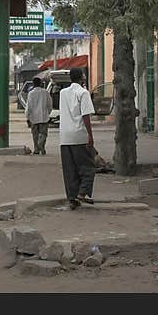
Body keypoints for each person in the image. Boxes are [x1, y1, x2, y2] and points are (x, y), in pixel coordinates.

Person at [59, 67, 96, 209]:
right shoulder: (83, 93)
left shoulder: (63, 93)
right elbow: (85, 115)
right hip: (79, 135)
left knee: (70, 169)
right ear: (82, 78)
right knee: (88, 167)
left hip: (65, 136)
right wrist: (90, 136)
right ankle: (82, 193)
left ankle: (72, 197)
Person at [25, 77, 51, 155]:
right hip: (44, 117)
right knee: (43, 134)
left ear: (33, 84)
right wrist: (48, 113)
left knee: (35, 135)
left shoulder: (31, 93)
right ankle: (41, 145)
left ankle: (36, 149)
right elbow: (50, 104)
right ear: (40, 83)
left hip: (34, 118)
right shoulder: (45, 92)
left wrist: (27, 117)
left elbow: (28, 106)